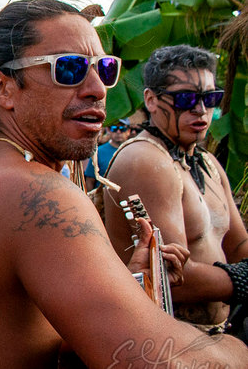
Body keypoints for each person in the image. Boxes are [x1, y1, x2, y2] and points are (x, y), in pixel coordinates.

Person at [0, 0, 248, 367]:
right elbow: (157, 361)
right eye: (69, 68)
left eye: (105, 69)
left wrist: (125, 287)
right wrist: (236, 351)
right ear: (3, 88)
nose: (98, 88)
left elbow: (28, 336)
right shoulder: (33, 193)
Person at [104, 45, 248, 332]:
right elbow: (170, 279)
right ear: (151, 100)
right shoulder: (145, 160)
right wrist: (243, 280)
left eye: (210, 98)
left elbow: (238, 245)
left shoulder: (205, 162)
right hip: (168, 340)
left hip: (219, 334)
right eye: (185, 98)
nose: (200, 109)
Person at [82, 119, 129, 190]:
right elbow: (90, 180)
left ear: (128, 131)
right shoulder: (98, 152)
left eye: (122, 129)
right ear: (108, 130)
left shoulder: (133, 151)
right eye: (114, 128)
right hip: (102, 198)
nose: (118, 132)